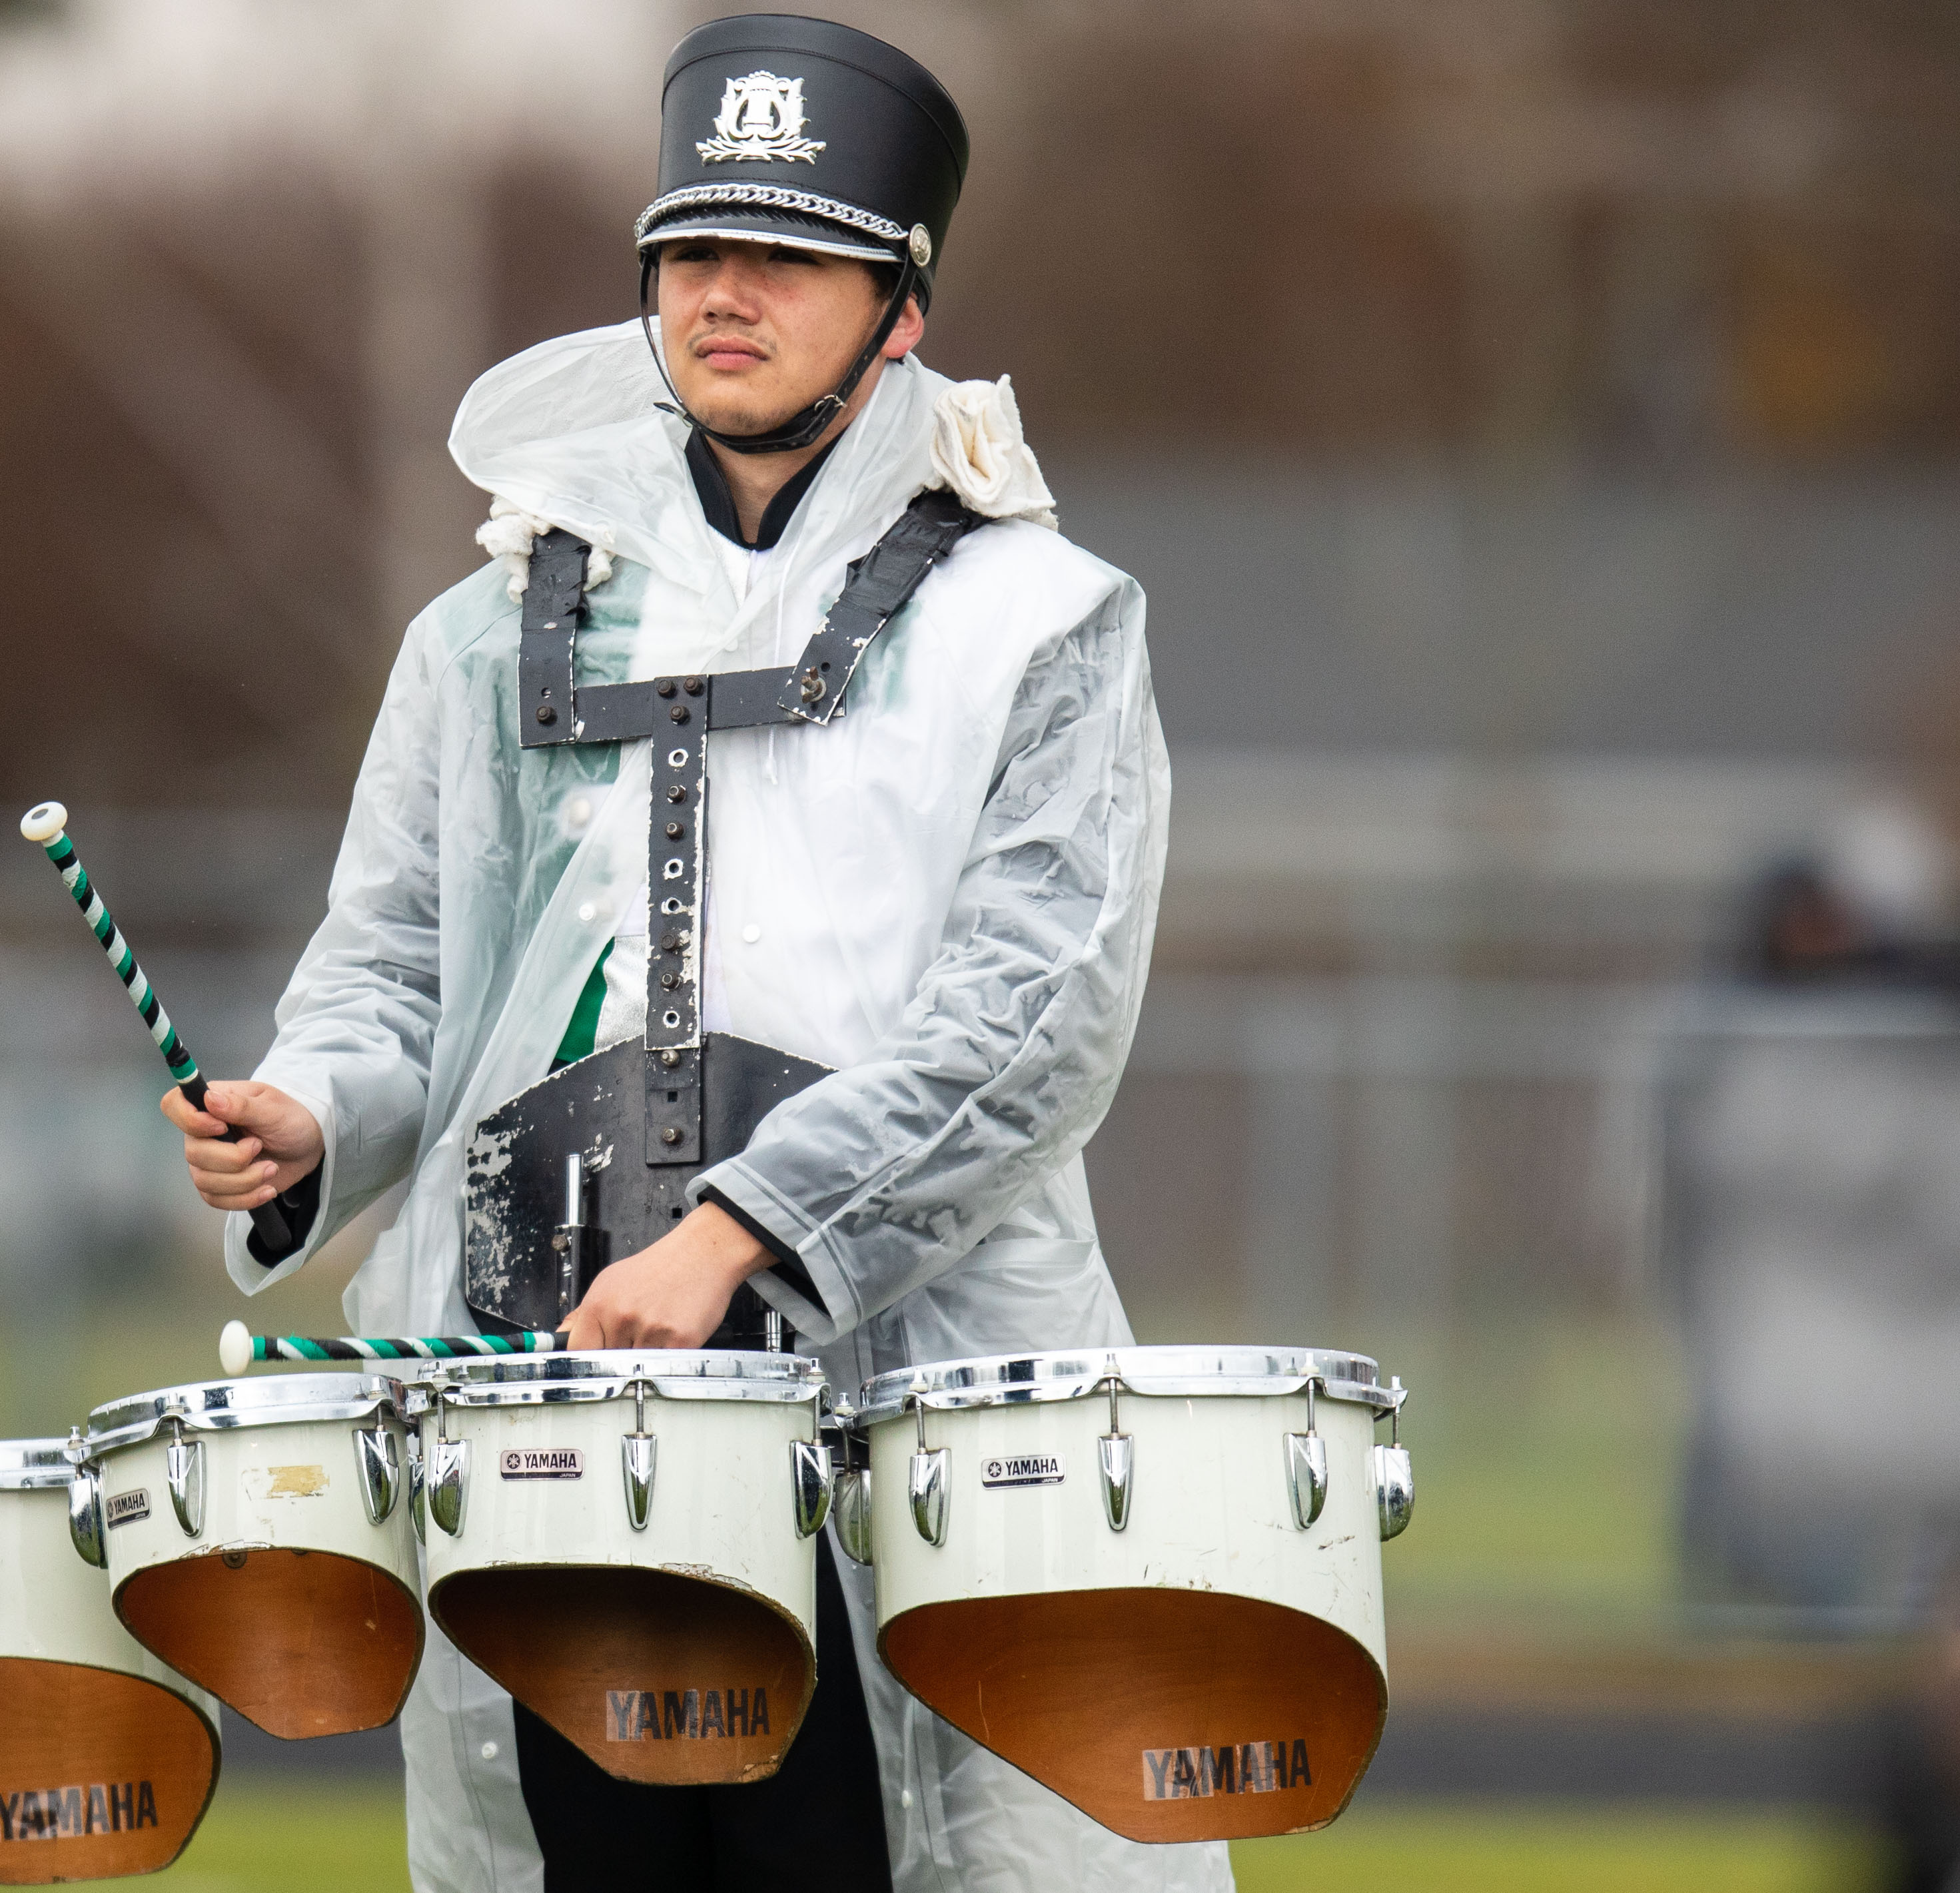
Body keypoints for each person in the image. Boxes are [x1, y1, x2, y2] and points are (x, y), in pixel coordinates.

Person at [162, 16, 1216, 1890]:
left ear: (900, 305)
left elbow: (1031, 1025)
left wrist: (737, 1234)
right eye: (690, 252)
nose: (723, 294)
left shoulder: (1044, 622)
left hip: (914, 1402)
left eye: (785, 256)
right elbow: (394, 966)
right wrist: (313, 1115)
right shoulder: (480, 635)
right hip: (549, 1406)